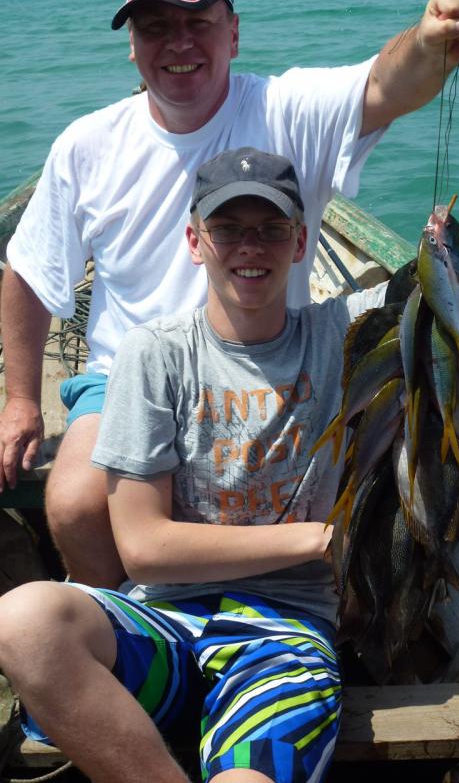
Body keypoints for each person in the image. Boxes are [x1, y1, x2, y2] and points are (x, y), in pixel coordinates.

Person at [0, 0, 459, 588]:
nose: (178, 43)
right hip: (128, 373)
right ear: (132, 45)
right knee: (76, 503)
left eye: (198, 22)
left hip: (277, 367)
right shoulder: (85, 145)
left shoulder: (286, 107)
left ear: (234, 33)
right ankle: (128, 616)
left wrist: (435, 38)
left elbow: (389, 81)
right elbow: (31, 271)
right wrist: (21, 401)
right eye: (155, 26)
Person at [0, 146, 407, 783]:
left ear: (300, 243)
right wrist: (320, 539)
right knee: (22, 621)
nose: (250, 246)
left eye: (271, 229)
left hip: (283, 634)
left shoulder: (340, 333)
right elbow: (143, 550)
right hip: (164, 620)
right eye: (228, 229)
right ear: (195, 242)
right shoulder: (154, 353)